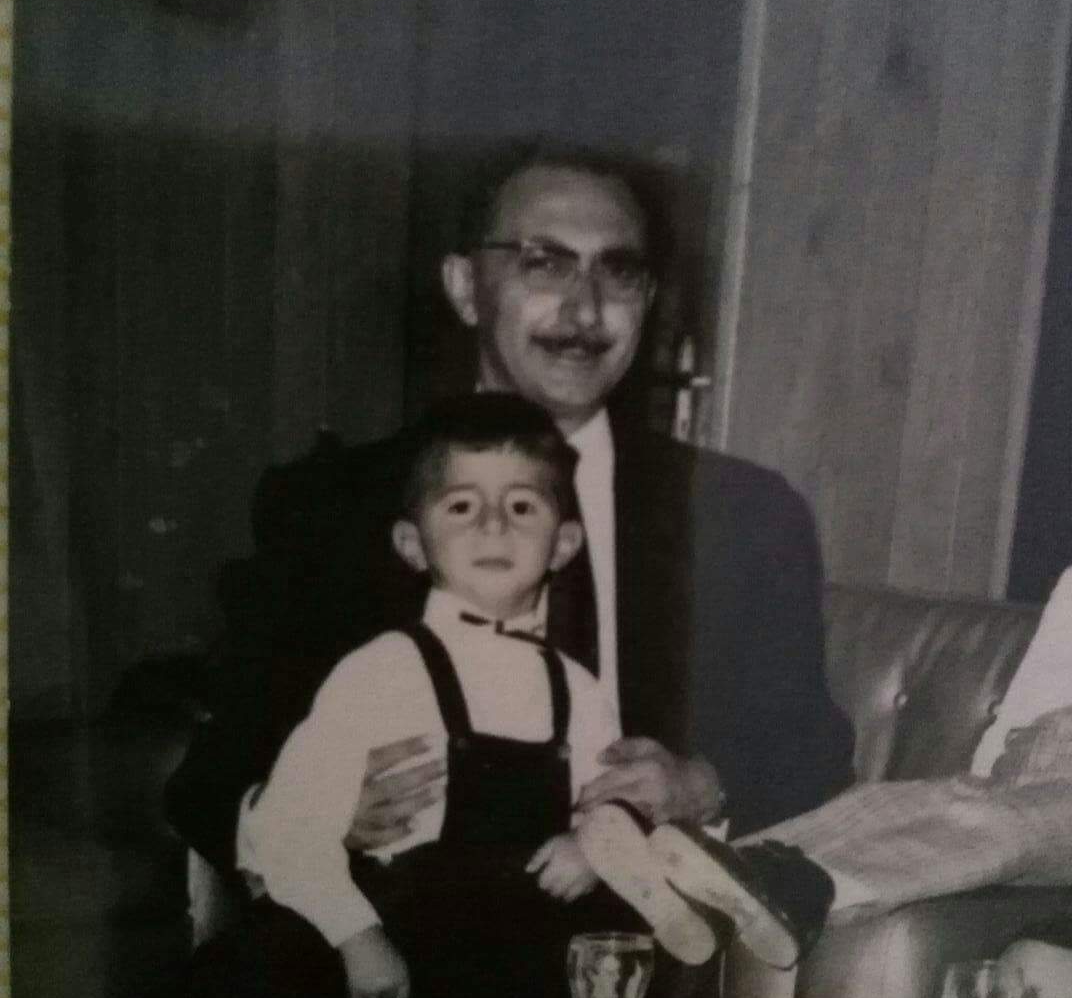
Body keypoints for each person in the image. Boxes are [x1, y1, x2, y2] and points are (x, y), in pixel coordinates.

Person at [165, 143, 854, 893]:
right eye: (544, 264)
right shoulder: (333, 504)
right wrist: (310, 816)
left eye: (618, 271)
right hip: (391, 928)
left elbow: (812, 746)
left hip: (634, 917)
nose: (585, 311)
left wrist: (700, 785)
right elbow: (212, 774)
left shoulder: (744, 514)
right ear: (466, 288)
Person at [190, 392, 718, 998]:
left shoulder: (578, 687)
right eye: (462, 506)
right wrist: (356, 934)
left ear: (565, 542)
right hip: (410, 946)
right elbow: (288, 825)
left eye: (523, 506)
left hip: (527, 951)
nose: (493, 526)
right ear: (412, 543)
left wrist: (591, 845)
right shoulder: (379, 671)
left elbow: (607, 802)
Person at [592, 567, 1072, 971]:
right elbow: (1011, 734)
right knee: (903, 802)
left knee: (998, 820)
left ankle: (783, 885)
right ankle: (719, 876)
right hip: (1030, 768)